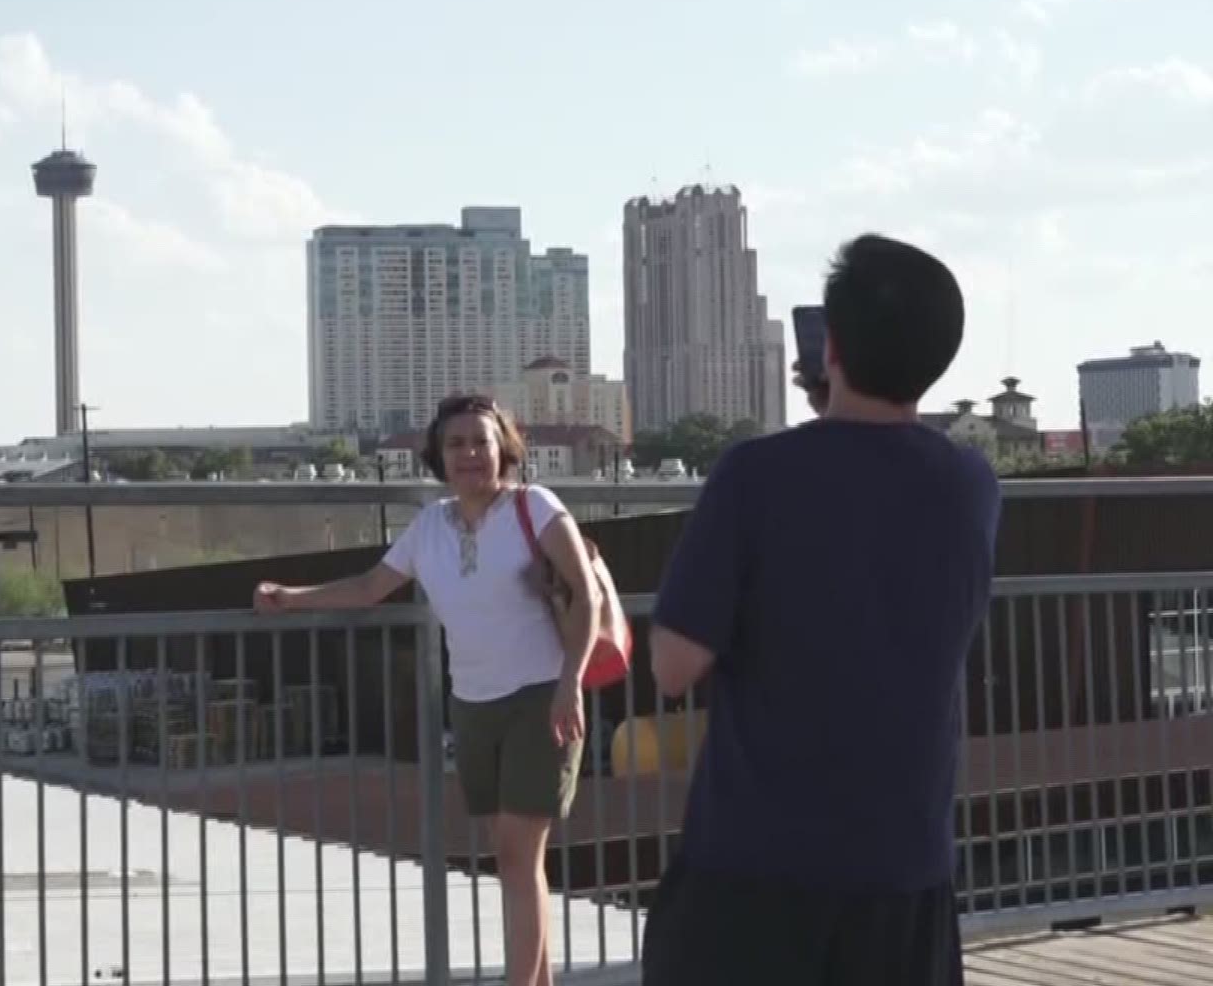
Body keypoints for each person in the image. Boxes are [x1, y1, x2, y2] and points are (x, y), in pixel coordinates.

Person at [640, 234, 1000, 985]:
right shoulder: (969, 483)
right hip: (905, 871)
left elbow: (675, 666)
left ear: (828, 345)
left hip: (756, 866)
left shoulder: (754, 476)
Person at [254, 394, 604, 986]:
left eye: (481, 441)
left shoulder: (535, 507)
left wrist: (571, 682)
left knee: (518, 858)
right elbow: (370, 587)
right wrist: (289, 598)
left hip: (541, 699)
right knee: (516, 861)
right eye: (456, 443)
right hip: (472, 704)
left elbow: (585, 594)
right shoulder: (430, 526)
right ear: (440, 456)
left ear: (505, 450)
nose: (470, 453)